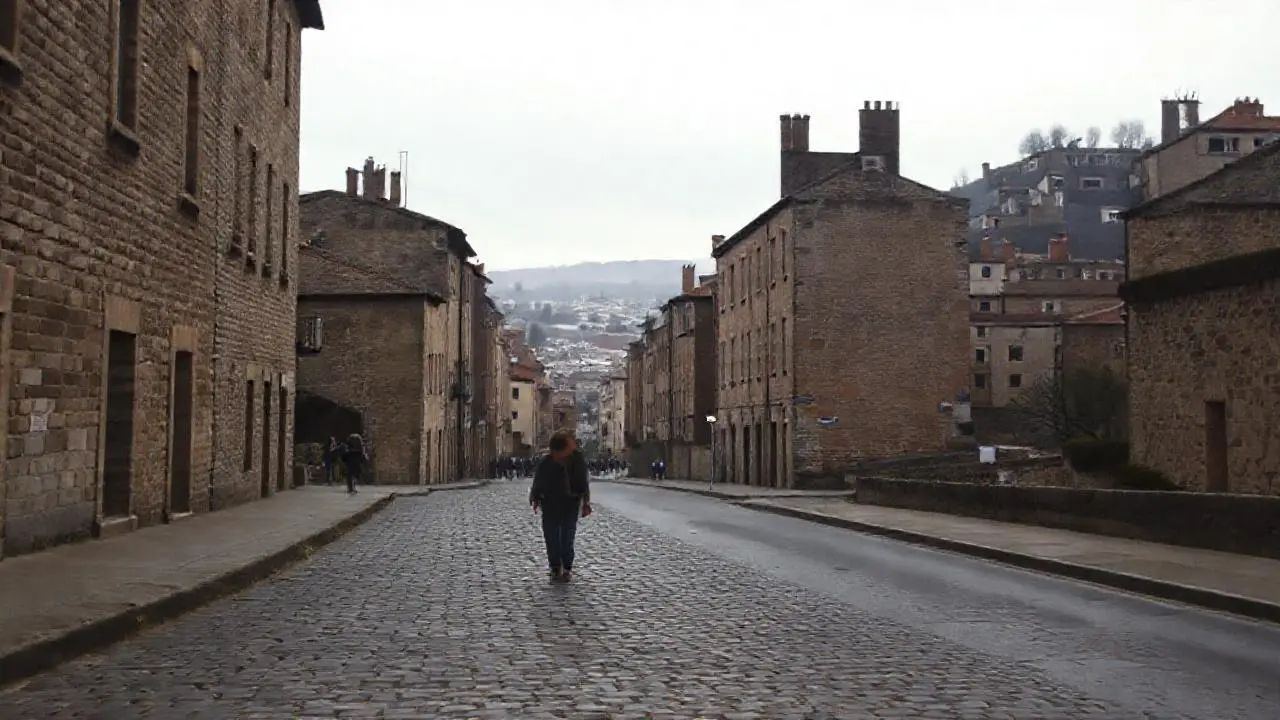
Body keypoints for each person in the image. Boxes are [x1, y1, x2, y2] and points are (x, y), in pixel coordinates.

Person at [529, 430, 592, 583]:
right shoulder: (546, 462)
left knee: (567, 538)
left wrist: (586, 502)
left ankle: (567, 567)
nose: (573, 447)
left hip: (570, 503)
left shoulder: (577, 459)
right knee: (551, 537)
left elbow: (583, 482)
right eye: (569, 445)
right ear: (559, 450)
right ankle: (555, 566)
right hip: (550, 504)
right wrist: (535, 498)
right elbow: (538, 481)